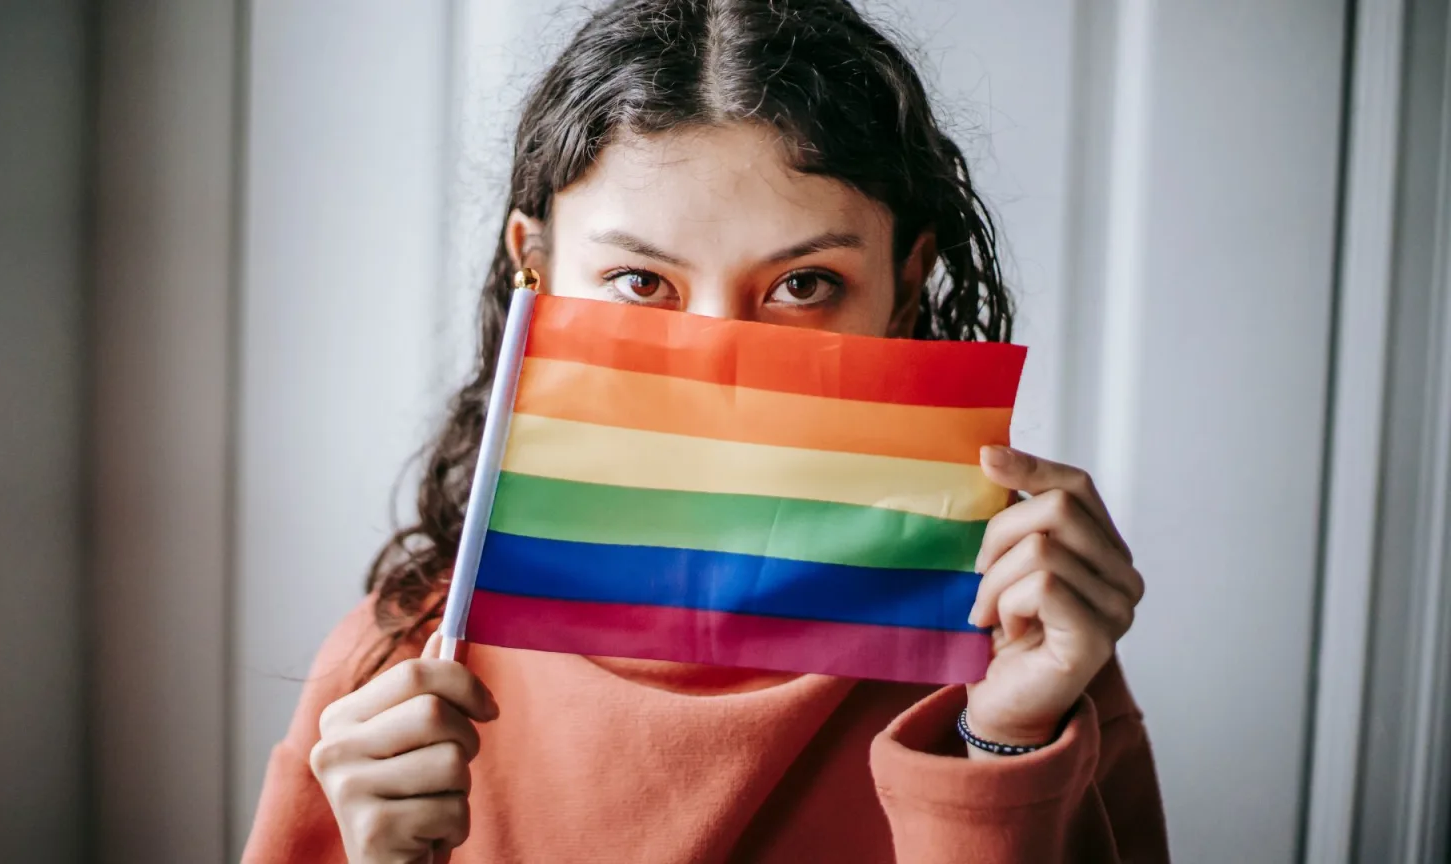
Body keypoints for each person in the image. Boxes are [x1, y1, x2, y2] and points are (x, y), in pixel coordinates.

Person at [242, 1, 1167, 861]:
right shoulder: (396, 666)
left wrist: (1003, 745)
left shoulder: (1021, 655)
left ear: (907, 282)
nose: (718, 362)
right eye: (642, 283)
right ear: (536, 268)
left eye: (803, 285)